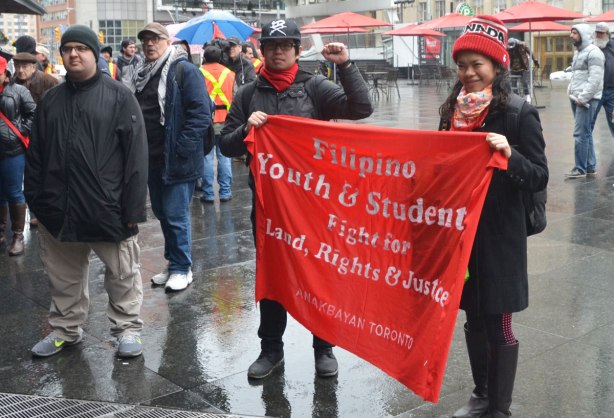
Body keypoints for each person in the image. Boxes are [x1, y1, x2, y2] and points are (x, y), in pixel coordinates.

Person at [219, 18, 373, 380]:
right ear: (261, 50)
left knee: (319, 273)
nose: (278, 51)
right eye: (271, 46)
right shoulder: (246, 94)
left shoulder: (315, 87)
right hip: (269, 207)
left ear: (297, 50)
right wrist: (246, 130)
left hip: (314, 204)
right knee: (272, 276)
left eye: (285, 45)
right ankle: (271, 349)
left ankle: (324, 347)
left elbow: (360, 108)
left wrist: (346, 66)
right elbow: (224, 144)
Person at [438, 15, 548, 418]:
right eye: (462, 65)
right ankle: (481, 394)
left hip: (500, 234)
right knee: (472, 315)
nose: (468, 73)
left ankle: (498, 408)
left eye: (477, 65)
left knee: (498, 320)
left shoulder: (519, 113)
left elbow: (539, 174)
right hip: (461, 231)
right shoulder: (452, 109)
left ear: (497, 67)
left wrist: (509, 155)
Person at [24, 25, 148, 358]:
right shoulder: (50, 100)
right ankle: (66, 330)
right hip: (58, 210)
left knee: (122, 275)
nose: (74, 54)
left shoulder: (120, 96)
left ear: (95, 53)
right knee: (63, 279)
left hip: (107, 209)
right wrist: (36, 200)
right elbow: (36, 155)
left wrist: (133, 211)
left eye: (81, 48)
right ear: (61, 55)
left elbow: (136, 158)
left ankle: (127, 330)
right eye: (68, 49)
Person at [130, 22, 211, 291]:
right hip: (152, 158)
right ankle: (173, 262)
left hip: (177, 158)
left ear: (167, 41)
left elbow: (200, 115)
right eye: (145, 40)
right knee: (163, 214)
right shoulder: (143, 73)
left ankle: (182, 268)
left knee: (176, 215)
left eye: (155, 39)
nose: (149, 44)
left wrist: (181, 149)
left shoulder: (183, 70)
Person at [11, 51, 59, 230]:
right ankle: (33, 211)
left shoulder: (47, 81)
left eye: (24, 67)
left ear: (33, 67)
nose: (20, 70)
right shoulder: (13, 84)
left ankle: (40, 211)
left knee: (43, 173)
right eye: (17, 67)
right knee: (27, 176)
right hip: (21, 136)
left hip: (43, 134)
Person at [0, 56, 36, 255]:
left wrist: (20, 131)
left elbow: (33, 113)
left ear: (5, 73)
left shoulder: (19, 91)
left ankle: (17, 236)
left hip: (12, 150)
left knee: (14, 191)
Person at [565, 24, 605, 178]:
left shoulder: (594, 53)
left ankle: (580, 168)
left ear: (584, 34)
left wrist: (583, 98)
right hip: (577, 98)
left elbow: (595, 80)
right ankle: (589, 166)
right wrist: (571, 92)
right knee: (586, 133)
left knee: (580, 134)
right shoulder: (579, 53)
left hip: (586, 100)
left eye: (575, 33)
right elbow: (577, 76)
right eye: (571, 32)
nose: (571, 35)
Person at [200, 46, 234, 203]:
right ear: (221, 58)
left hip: (206, 121)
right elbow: (235, 97)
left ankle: (208, 193)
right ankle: (225, 192)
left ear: (205, 58)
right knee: (225, 157)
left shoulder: (198, 73)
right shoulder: (230, 74)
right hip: (226, 121)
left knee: (206, 157)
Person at [591, 22, 614, 138]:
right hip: (595, 92)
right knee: (589, 122)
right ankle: (588, 152)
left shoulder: (613, 45)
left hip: (612, 91)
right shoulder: (590, 47)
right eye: (597, 33)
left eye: (602, 33)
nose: (599, 35)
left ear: (607, 34)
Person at [507, 38, 539, 103]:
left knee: (524, 82)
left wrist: (535, 61)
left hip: (523, 67)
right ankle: (516, 97)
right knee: (513, 84)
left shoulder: (522, 45)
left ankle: (527, 95)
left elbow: (531, 52)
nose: (512, 49)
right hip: (514, 68)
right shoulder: (508, 47)